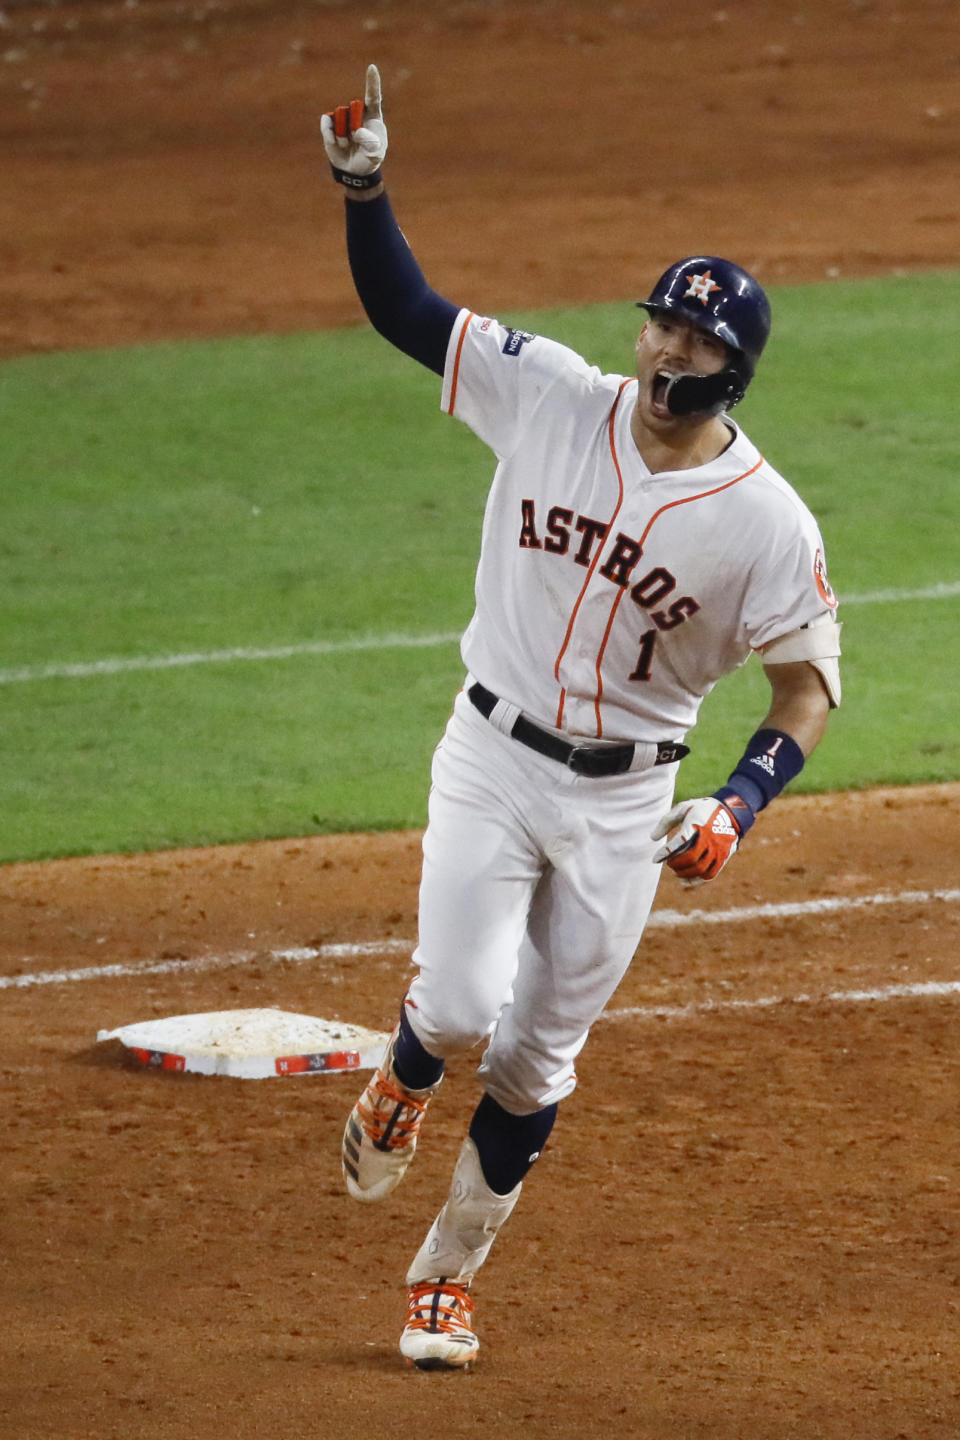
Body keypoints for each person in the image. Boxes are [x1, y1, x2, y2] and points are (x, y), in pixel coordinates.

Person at [321, 65, 842, 1371]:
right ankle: (402, 1074)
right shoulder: (551, 393)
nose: (666, 351)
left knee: (536, 1062)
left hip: (622, 805)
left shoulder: (769, 524)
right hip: (491, 756)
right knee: (454, 1010)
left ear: (735, 371)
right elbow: (409, 312)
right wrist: (364, 187)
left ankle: (445, 1276)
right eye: (662, 326)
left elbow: (807, 688)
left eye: (696, 343)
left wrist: (739, 804)